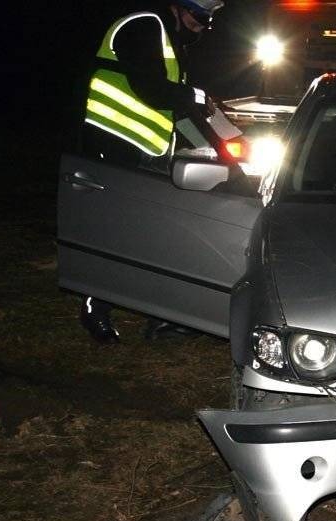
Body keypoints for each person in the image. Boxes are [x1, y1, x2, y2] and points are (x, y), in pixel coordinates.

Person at [79, 0, 225, 343]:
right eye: (200, 17)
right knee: (114, 233)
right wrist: (197, 95)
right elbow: (150, 87)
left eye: (209, 21)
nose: (203, 26)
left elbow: (179, 111)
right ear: (179, 7)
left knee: (155, 235)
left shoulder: (171, 42)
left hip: (148, 153)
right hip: (113, 146)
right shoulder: (143, 25)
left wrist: (219, 147)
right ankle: (94, 310)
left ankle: (162, 317)